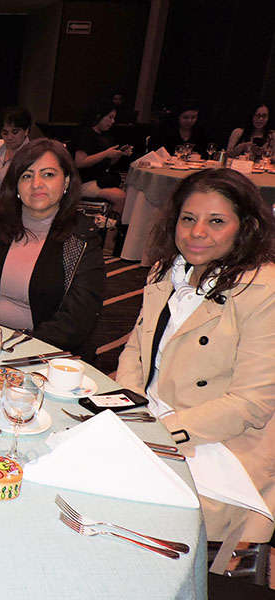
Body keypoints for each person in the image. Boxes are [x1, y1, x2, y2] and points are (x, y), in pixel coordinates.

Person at [115, 168, 275, 550]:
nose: (197, 232)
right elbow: (136, 350)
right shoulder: (164, 272)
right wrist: (129, 407)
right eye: (188, 219)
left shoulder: (263, 290)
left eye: (216, 221)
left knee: (140, 513)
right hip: (150, 415)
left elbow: (250, 404)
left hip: (219, 440)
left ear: (245, 227)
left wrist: (161, 432)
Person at [0, 138, 104, 353]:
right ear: (15, 186)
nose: (36, 184)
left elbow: (77, 321)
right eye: (27, 176)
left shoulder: (81, 238)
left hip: (38, 353)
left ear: (66, 182)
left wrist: (15, 348)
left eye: (49, 174)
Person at [71, 100, 130, 214]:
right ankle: (108, 227)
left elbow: (105, 163)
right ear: (99, 116)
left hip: (97, 178)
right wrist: (106, 153)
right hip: (82, 182)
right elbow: (79, 162)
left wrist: (119, 154)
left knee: (127, 191)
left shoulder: (103, 136)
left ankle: (109, 225)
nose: (112, 121)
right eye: (110, 117)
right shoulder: (85, 134)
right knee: (121, 197)